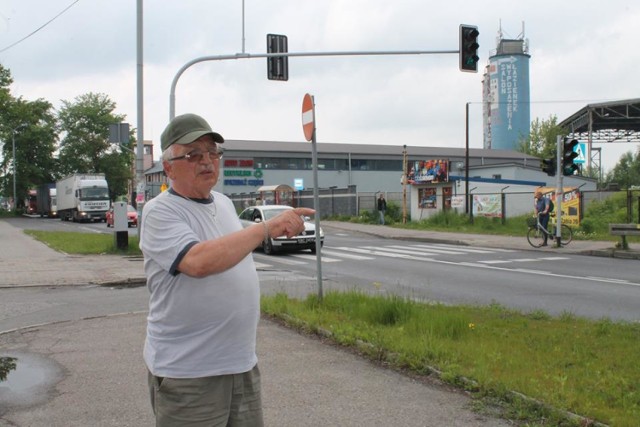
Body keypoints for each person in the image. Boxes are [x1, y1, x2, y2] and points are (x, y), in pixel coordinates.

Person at [139, 113, 315, 426]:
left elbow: (233, 246)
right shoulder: (160, 211)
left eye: (212, 153)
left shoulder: (221, 202)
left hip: (241, 366)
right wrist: (265, 229)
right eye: (193, 154)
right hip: (189, 374)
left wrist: (270, 229)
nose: (206, 161)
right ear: (168, 167)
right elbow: (197, 261)